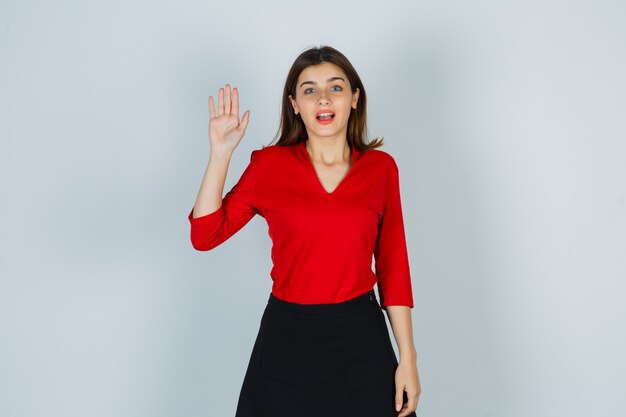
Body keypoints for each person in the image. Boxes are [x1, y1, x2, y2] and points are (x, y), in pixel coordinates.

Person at [188, 45, 421, 417]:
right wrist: (220, 154)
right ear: (294, 103)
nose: (323, 98)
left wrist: (407, 358)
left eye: (336, 87)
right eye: (310, 89)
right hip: (287, 338)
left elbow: (394, 269)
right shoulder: (269, 166)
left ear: (355, 98)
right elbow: (205, 235)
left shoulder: (380, 169)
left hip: (362, 337)